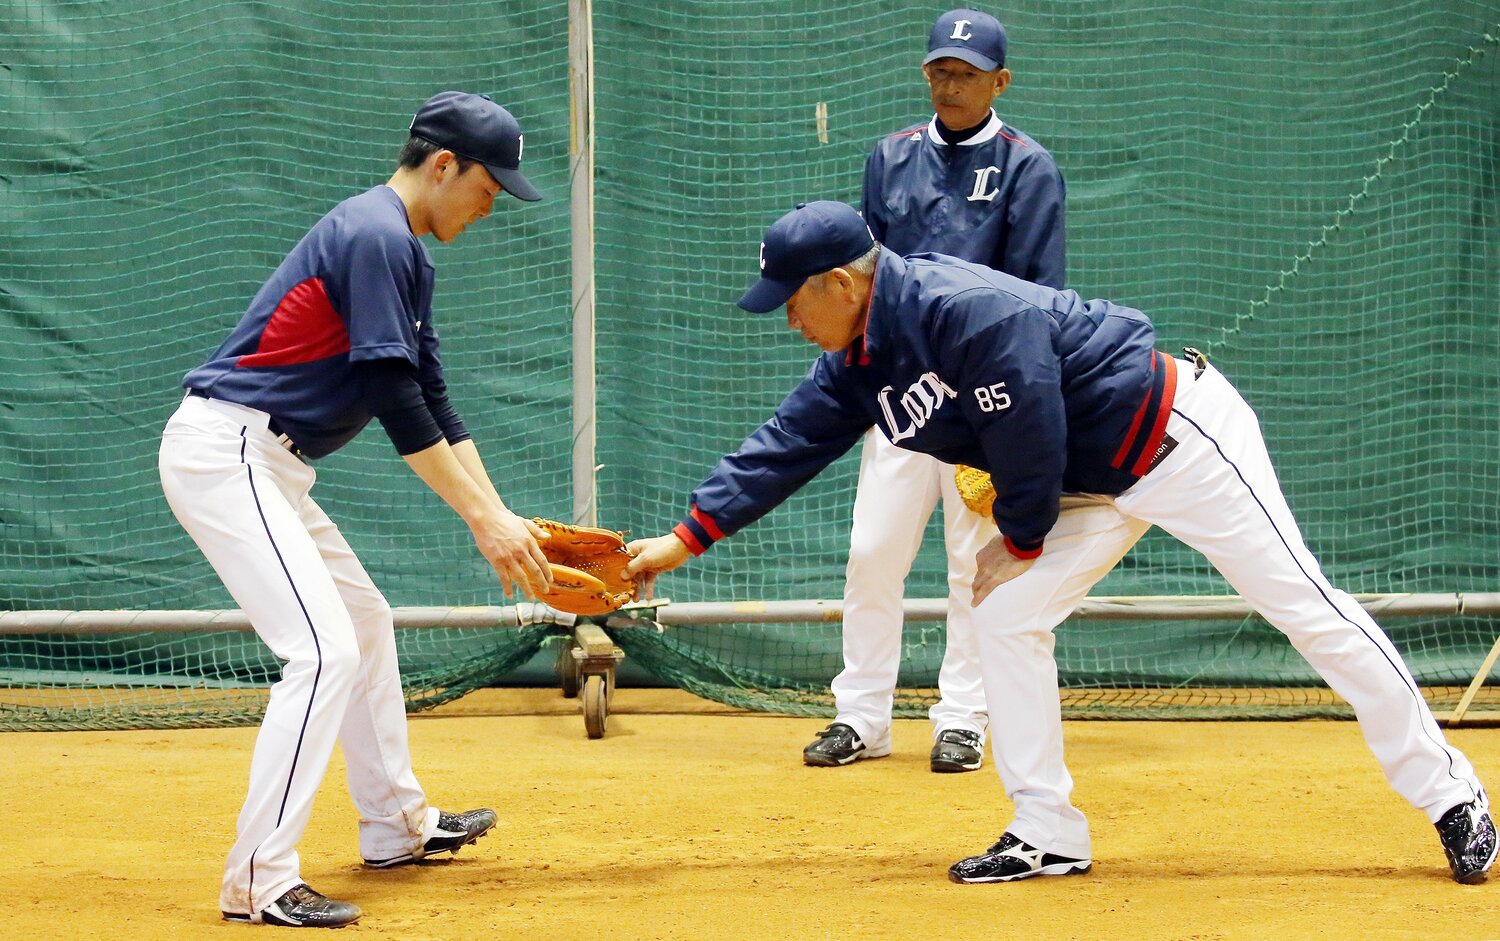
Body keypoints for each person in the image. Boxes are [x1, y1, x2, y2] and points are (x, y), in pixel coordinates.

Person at [624, 200, 1497, 885]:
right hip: (1092, 478)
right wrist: (682, 540)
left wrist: (1021, 534)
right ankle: (1046, 830)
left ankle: (1451, 795)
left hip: (1179, 440)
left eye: (792, 300)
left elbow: (1030, 426)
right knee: (1004, 616)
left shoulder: (962, 309)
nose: (786, 319)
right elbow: (785, 441)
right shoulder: (860, 359)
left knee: (1305, 608)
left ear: (843, 284)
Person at [159, 91, 555, 928]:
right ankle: (258, 878)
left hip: (267, 462)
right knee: (321, 650)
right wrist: (481, 521)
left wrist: (500, 513)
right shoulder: (375, 234)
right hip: (228, 452)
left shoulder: (404, 251)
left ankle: (395, 824)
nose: (492, 204)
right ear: (443, 165)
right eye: (488, 186)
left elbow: (433, 398)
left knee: (364, 621)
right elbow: (391, 397)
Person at [806, 7, 1067, 774]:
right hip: (903, 392)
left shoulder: (1028, 167)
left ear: (1000, 81)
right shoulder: (890, 157)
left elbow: (1039, 297)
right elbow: (862, 283)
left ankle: (964, 716)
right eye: (939, 71)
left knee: (973, 560)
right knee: (872, 550)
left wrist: (1011, 419)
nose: (950, 85)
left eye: (966, 73)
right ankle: (862, 714)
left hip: (984, 400)